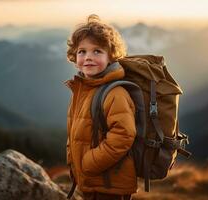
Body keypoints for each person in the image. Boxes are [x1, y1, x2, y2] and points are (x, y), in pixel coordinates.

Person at [65, 14, 136, 200]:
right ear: (74, 56)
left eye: (97, 51)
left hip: (109, 185)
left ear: (111, 57)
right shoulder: (83, 90)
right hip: (93, 182)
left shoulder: (115, 93)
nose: (88, 57)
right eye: (82, 51)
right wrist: (73, 161)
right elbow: (76, 131)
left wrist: (88, 163)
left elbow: (124, 135)